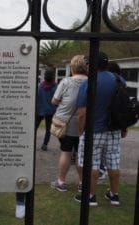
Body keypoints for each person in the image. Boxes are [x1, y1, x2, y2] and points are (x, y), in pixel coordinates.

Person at [75, 52, 126, 206]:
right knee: (113, 163)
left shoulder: (89, 82)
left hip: (93, 130)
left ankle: (90, 196)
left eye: (88, 64)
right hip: (114, 130)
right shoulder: (119, 80)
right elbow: (123, 106)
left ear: (92, 65)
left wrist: (81, 132)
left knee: (92, 163)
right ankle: (114, 195)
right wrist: (123, 127)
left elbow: (81, 113)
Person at [50, 55, 88, 192]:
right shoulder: (91, 82)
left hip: (64, 124)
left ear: (72, 67)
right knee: (81, 154)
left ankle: (61, 182)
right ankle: (82, 183)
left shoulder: (66, 82)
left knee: (66, 152)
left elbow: (54, 101)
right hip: (84, 124)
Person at [36, 67, 57, 151]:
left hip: (39, 110)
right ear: (53, 77)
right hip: (50, 111)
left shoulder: (39, 86)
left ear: (44, 76)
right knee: (48, 129)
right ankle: (45, 144)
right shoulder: (55, 87)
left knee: (35, 127)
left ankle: (31, 142)